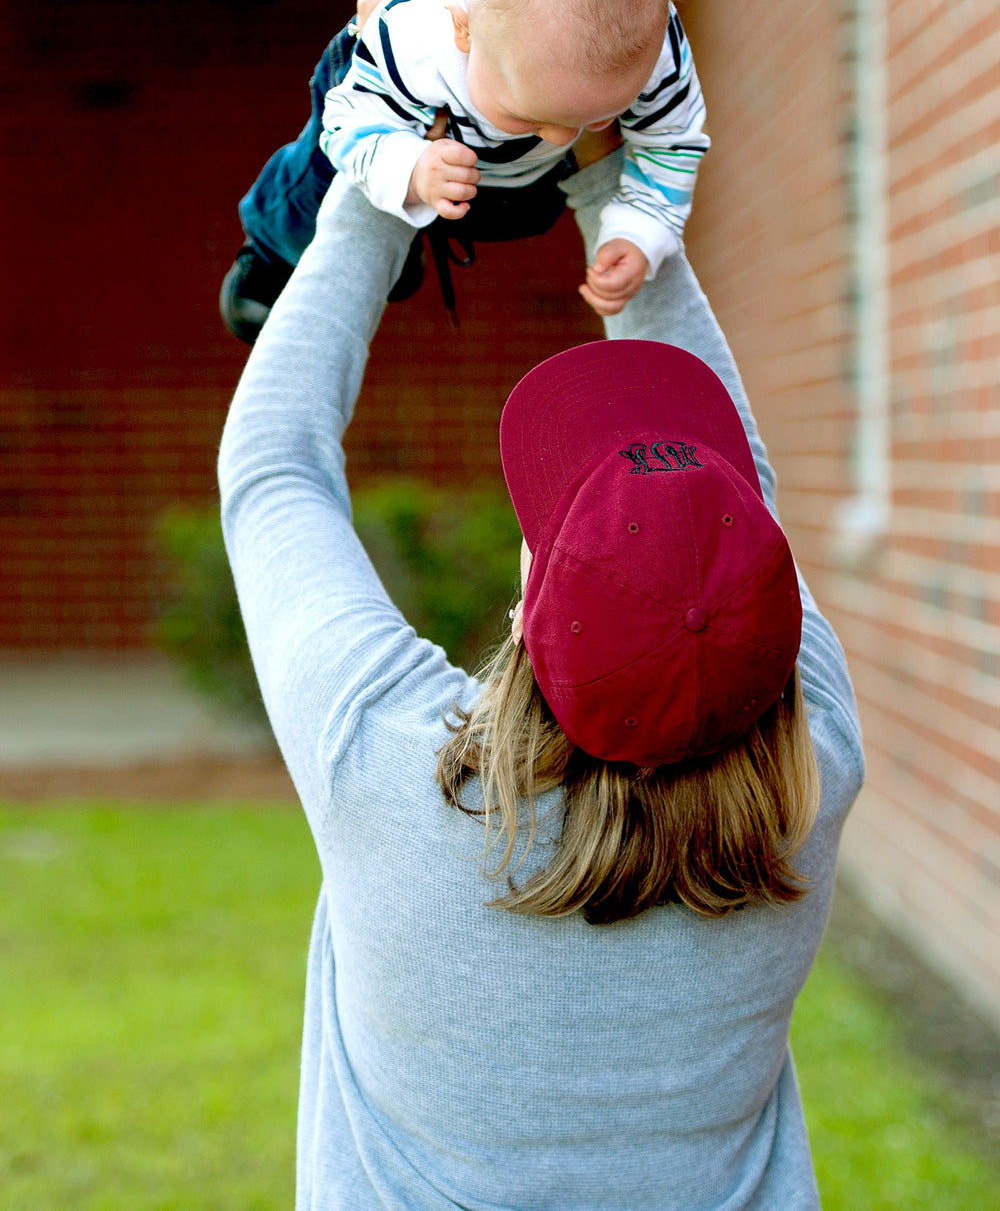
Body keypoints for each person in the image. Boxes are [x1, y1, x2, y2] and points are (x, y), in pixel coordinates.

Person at [218, 131, 864, 1209]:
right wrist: (623, 188)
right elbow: (737, 496)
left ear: (531, 605)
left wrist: (390, 161)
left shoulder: (385, 769)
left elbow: (275, 466)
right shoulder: (813, 781)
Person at [220, 0, 709, 341]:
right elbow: (347, 126)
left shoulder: (646, 52)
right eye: (531, 115)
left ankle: (416, 228)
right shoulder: (409, 40)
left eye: (595, 119)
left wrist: (644, 229)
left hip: (506, 168)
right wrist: (407, 168)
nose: (564, 138)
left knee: (527, 213)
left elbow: (674, 138)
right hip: (385, 104)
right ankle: (270, 254)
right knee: (322, 185)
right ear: (464, 31)